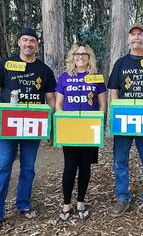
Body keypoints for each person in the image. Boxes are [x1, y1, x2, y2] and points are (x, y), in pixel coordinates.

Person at [0, 27, 56, 232]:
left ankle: (23, 204)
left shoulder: (44, 70)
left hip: (33, 126)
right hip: (9, 125)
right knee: (3, 167)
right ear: (18, 42)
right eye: (25, 40)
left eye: (32, 41)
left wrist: (51, 128)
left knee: (28, 167)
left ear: (37, 44)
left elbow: (51, 101)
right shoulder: (6, 64)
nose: (28, 44)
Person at [107, 23, 143, 219]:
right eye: (133, 35)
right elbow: (114, 90)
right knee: (120, 161)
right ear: (128, 40)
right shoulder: (120, 63)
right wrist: (115, 116)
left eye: (140, 34)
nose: (136, 38)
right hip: (124, 119)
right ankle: (122, 197)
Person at [55, 43, 106, 221]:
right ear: (72, 56)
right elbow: (58, 105)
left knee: (85, 167)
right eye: (77, 53)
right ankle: (66, 204)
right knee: (69, 167)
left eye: (84, 54)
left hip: (89, 128)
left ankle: (81, 202)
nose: (80, 56)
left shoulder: (96, 78)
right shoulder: (65, 77)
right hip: (69, 128)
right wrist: (59, 123)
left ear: (89, 57)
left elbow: (102, 105)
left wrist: (99, 123)